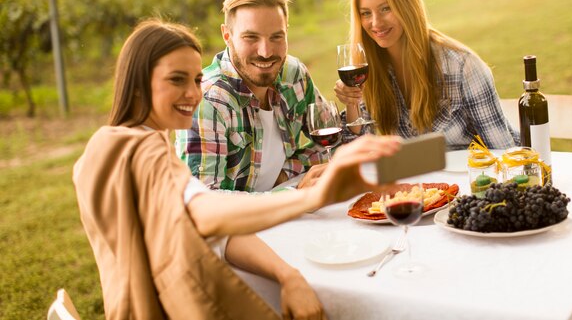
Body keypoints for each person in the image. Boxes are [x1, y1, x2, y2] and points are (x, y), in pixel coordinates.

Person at [72, 18, 401, 320]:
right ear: (138, 83)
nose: (192, 93)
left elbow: (214, 230)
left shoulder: (114, 144)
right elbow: (201, 212)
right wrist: (308, 199)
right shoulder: (139, 152)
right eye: (176, 80)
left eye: (196, 79)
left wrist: (286, 274)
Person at [334, 0, 519, 150]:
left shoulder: (463, 67)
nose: (376, 23)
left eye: (386, 8)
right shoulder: (368, 70)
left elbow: (504, 155)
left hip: (473, 176)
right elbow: (359, 152)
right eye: (366, 13)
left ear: (407, 5)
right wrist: (351, 103)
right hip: (420, 180)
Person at [176, 0, 328, 192]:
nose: (266, 52)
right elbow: (204, 203)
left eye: (276, 37)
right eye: (251, 37)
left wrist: (285, 174)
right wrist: (292, 195)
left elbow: (332, 141)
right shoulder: (207, 101)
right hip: (243, 224)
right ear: (227, 36)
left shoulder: (293, 74)